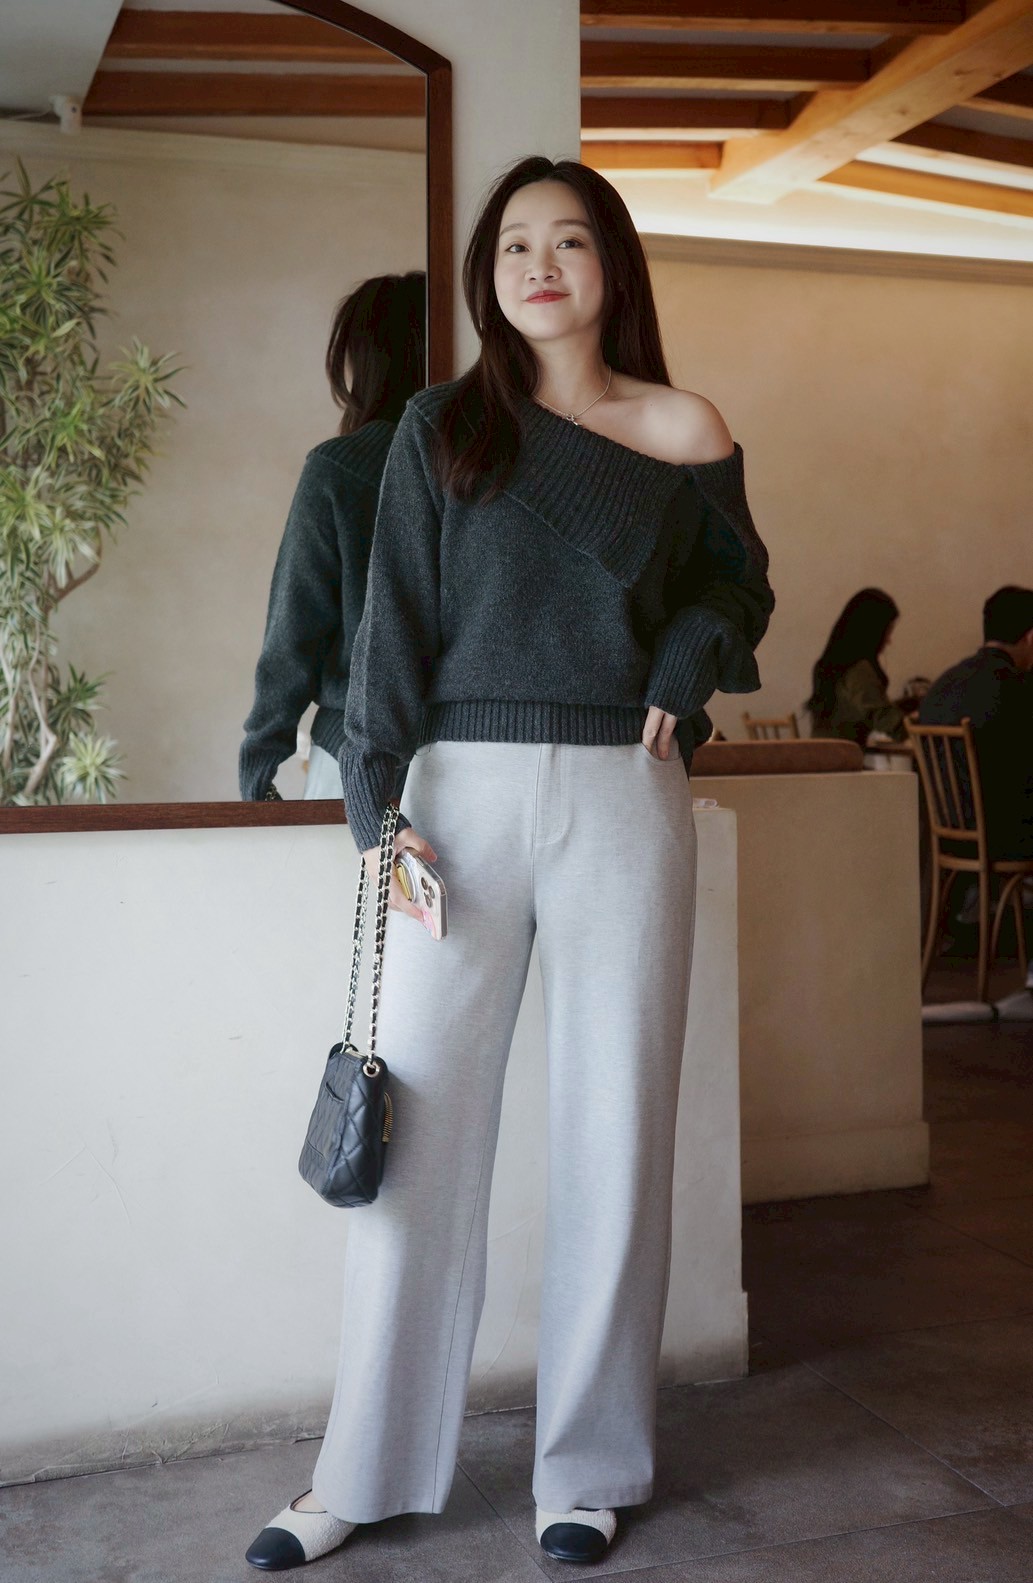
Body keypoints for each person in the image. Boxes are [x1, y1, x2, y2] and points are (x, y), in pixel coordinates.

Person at [245, 156, 773, 1572]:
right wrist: (374, 801)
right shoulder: (444, 424)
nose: (540, 264)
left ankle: (586, 1467)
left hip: (624, 794)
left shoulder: (683, 425)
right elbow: (389, 627)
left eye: (570, 240)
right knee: (414, 1144)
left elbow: (738, 585)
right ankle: (359, 1469)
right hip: (456, 804)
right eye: (515, 244)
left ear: (613, 265)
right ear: (490, 274)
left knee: (618, 1129)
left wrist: (688, 650)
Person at [238, 271, 426, 802]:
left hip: (349, 761)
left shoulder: (340, 470)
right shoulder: (481, 466)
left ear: (365, 364)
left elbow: (293, 633)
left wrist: (259, 766)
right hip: (468, 760)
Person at [919, 585, 1033, 861]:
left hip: (946, 833)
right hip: (1005, 837)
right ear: (1030, 637)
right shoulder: (1017, 687)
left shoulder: (942, 684)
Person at [806, 588, 906, 748]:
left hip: (820, 755)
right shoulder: (859, 671)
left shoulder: (828, 666)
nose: (889, 641)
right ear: (873, 631)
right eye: (887, 632)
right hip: (841, 758)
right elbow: (888, 723)